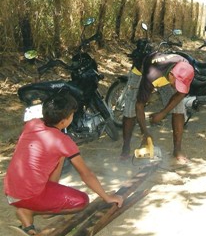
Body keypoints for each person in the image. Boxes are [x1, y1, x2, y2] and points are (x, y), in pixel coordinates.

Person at [4, 92, 123, 235]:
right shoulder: (63, 141)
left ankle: (39, 208)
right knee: (82, 201)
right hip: (27, 196)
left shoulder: (32, 124)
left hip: (11, 191)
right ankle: (28, 211)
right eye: (72, 115)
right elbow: (86, 174)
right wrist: (107, 197)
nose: (72, 117)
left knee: (57, 159)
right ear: (63, 122)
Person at [135, 52, 194, 163]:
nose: (178, 87)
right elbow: (139, 105)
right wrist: (145, 133)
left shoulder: (186, 68)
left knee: (179, 110)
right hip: (146, 68)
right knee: (138, 100)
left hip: (165, 74)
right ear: (171, 75)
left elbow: (181, 93)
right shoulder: (151, 75)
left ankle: (177, 150)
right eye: (177, 83)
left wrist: (163, 113)